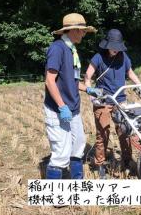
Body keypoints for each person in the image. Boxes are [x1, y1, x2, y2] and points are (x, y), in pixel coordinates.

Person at [44, 13, 102, 179]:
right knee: (61, 152)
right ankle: (53, 195)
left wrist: (88, 89)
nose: (84, 34)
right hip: (58, 109)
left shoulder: (72, 50)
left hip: (73, 108)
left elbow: (72, 81)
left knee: (78, 145)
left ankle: (77, 181)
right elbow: (50, 80)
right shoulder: (57, 49)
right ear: (74, 30)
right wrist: (62, 106)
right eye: (82, 31)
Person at [84, 29, 141, 179]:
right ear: (107, 45)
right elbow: (87, 76)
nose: (115, 49)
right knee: (103, 134)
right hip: (104, 101)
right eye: (113, 46)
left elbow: (130, 72)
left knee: (125, 132)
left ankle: (127, 161)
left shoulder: (123, 57)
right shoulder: (98, 57)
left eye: (117, 47)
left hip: (120, 100)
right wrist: (91, 94)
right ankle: (100, 165)